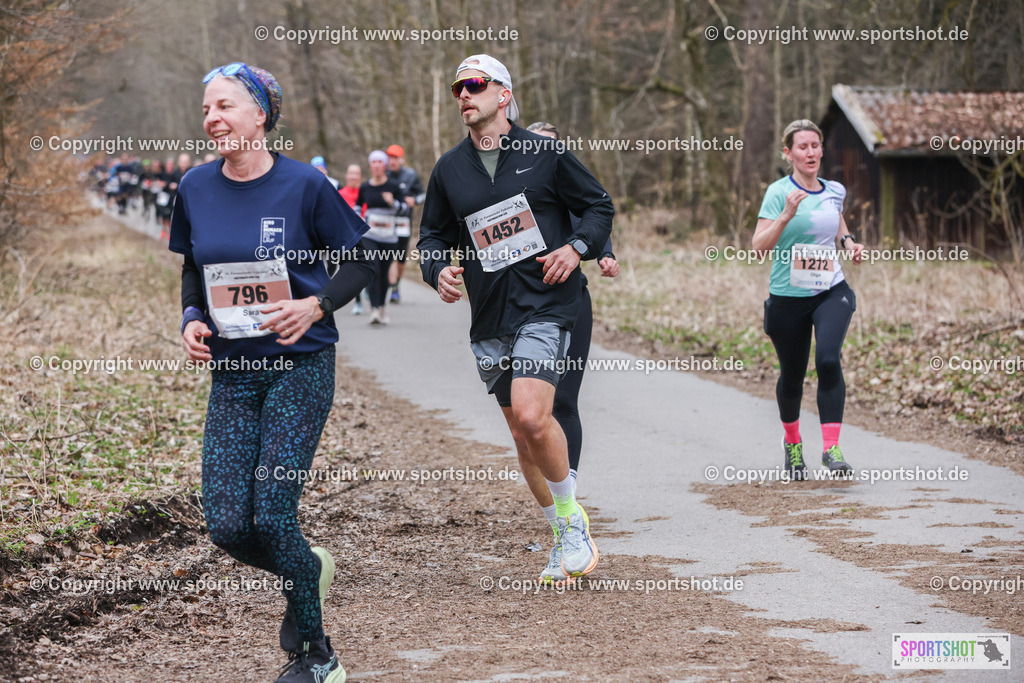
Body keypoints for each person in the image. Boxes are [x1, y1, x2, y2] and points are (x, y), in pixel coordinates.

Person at [170, 62, 371, 683]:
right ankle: (307, 568)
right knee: (228, 526)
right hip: (234, 373)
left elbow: (364, 259)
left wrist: (316, 304)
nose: (213, 118)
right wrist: (191, 317)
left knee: (273, 515)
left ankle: (317, 655)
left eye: (225, 106)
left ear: (260, 115)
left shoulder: (305, 185)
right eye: (207, 108)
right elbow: (194, 268)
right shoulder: (194, 187)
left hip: (300, 365)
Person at [418, 54, 614, 582]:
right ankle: (561, 531)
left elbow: (598, 206)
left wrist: (576, 248)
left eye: (475, 84)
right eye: (458, 87)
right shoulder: (449, 169)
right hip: (489, 314)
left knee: (532, 415)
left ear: (503, 94)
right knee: (521, 434)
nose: (464, 94)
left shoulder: (545, 154)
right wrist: (436, 270)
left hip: (547, 303)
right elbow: (432, 236)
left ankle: (570, 520)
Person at [525, 121, 619, 583]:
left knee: (563, 401)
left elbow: (593, 216)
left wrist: (605, 253)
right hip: (517, 311)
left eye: (550, 146)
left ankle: (569, 508)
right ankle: (563, 517)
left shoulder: (566, 182)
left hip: (569, 305)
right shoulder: (513, 191)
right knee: (529, 421)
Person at [753, 119, 864, 480]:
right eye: (803, 147)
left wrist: (849, 243)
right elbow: (758, 248)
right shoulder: (778, 193)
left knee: (828, 360)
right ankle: (793, 443)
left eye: (815, 145)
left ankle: (832, 449)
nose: (811, 152)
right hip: (788, 297)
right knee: (792, 377)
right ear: (788, 153)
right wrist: (785, 215)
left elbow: (837, 221)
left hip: (831, 290)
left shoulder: (834, 190)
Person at [356, 150, 404, 325]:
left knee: (384, 274)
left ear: (385, 165)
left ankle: (382, 307)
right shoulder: (365, 187)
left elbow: (404, 209)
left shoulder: (393, 186)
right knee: (373, 269)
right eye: (373, 162)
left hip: (389, 238)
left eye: (380, 162)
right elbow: (357, 207)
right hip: (370, 236)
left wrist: (393, 202)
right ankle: (374, 310)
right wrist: (358, 221)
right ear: (370, 165)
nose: (376, 165)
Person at [384, 144, 425, 303]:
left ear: (401, 159)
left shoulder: (410, 175)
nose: (392, 161)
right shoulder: (384, 174)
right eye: (390, 158)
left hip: (404, 222)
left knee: (400, 257)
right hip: (386, 221)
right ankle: (387, 285)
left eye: (395, 158)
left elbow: (422, 194)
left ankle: (396, 286)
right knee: (386, 255)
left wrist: (414, 200)